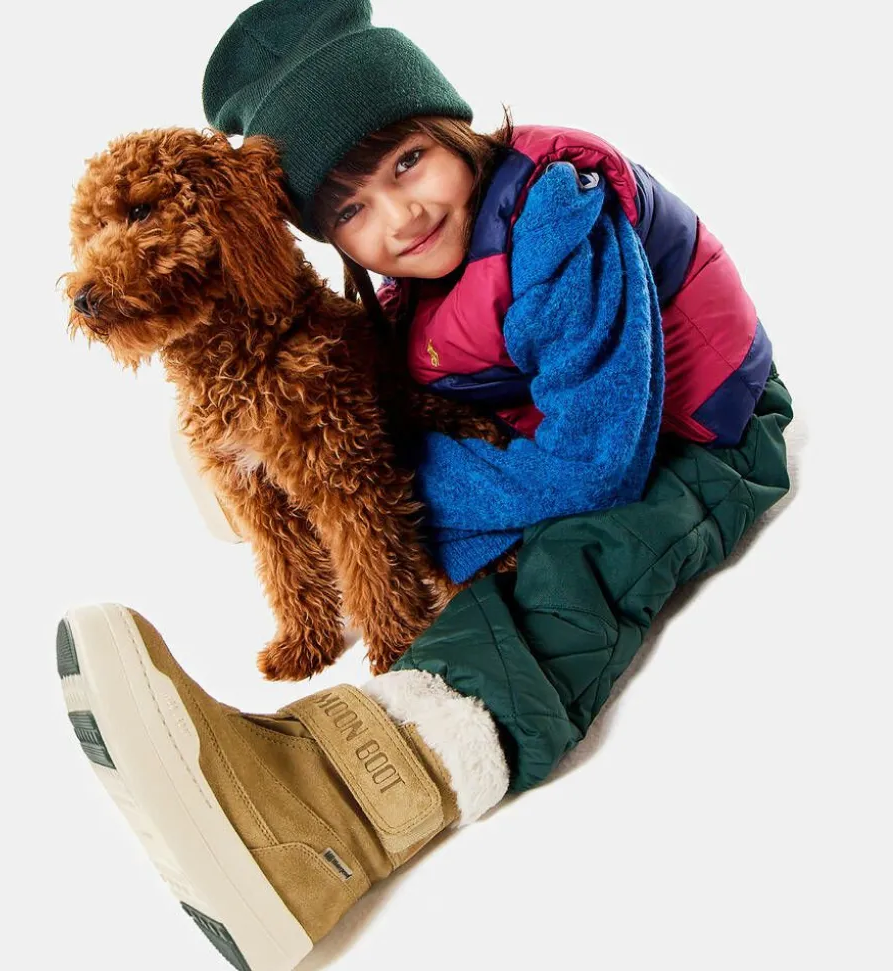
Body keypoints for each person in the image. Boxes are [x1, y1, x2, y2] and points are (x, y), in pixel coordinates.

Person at [56, 2, 792, 969]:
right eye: (351, 209)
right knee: (380, 480)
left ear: (454, 129)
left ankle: (334, 811)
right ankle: (252, 473)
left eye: (407, 161)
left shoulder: (561, 221)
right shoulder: (414, 273)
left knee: (581, 569)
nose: (398, 216)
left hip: (700, 438)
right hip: (547, 419)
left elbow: (597, 467)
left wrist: (396, 479)